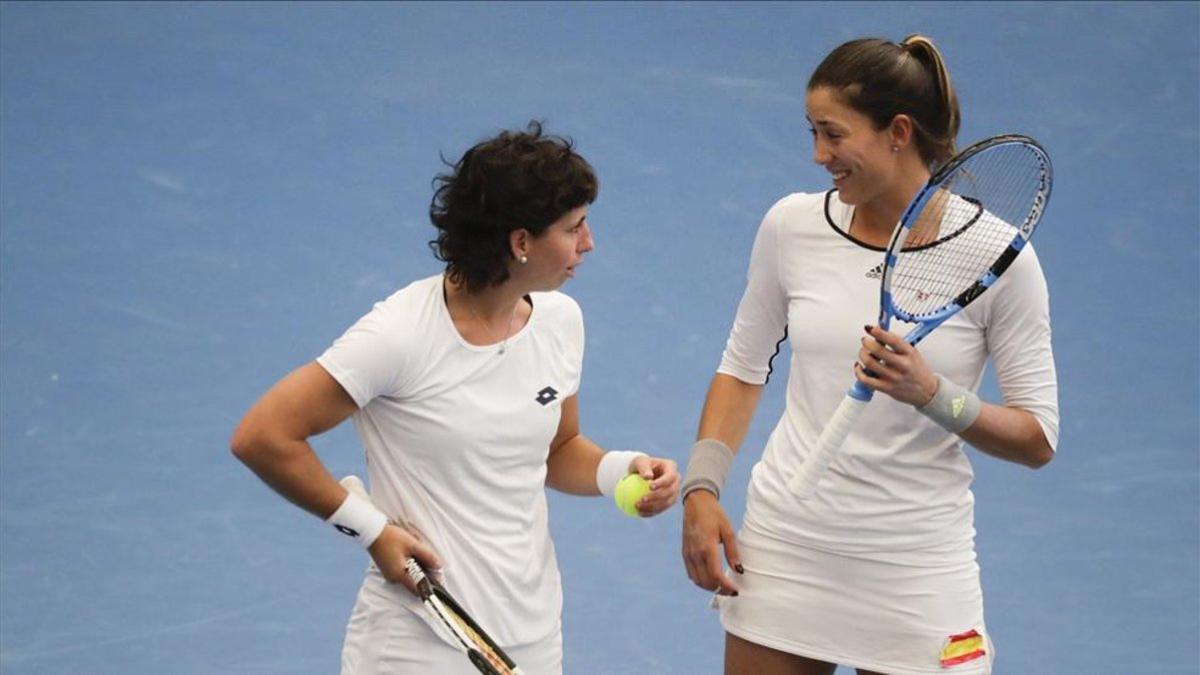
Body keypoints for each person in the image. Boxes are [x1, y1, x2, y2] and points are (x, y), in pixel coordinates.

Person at [232, 121, 680, 674]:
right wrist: (370, 530)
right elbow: (263, 436)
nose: (588, 243)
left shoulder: (561, 320)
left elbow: (556, 450)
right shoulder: (399, 336)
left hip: (532, 635)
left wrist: (622, 470)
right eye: (574, 228)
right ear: (520, 242)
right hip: (418, 640)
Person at [679, 36, 1059, 675]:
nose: (818, 155)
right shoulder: (790, 226)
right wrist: (701, 488)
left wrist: (933, 394)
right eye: (812, 133)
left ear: (898, 133)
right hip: (785, 550)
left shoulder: (1000, 258)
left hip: (915, 569)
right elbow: (742, 367)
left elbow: (1036, 438)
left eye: (833, 135)